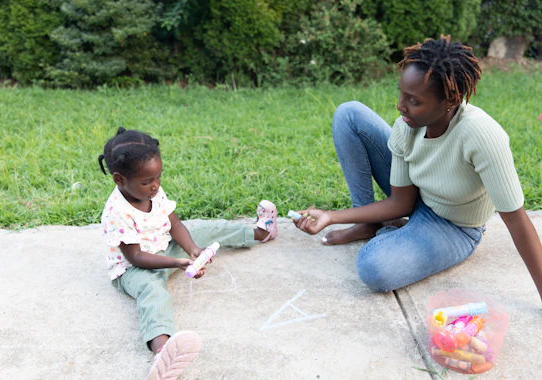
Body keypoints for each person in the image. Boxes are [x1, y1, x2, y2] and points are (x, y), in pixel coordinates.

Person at [292, 35, 542, 300]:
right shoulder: (406, 125)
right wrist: (331, 216)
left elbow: (517, 220)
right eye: (401, 93)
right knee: (349, 114)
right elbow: (402, 202)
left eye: (414, 100)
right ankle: (368, 224)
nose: (400, 105)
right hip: (417, 196)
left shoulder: (481, 135)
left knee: (373, 266)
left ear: (450, 101)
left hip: (453, 227)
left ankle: (394, 231)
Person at [98, 127, 278, 379]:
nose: (155, 186)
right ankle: (162, 351)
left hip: (164, 245)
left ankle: (261, 232)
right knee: (153, 292)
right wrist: (177, 262)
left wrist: (192, 250)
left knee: (204, 229)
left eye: (158, 177)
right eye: (147, 181)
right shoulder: (118, 212)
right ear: (120, 179)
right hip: (134, 268)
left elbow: (175, 224)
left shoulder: (153, 191)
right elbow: (135, 257)